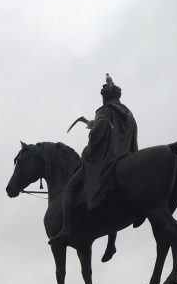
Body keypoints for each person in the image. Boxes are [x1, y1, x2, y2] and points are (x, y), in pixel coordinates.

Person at [53, 74, 139, 252]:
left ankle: (66, 229)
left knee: (70, 188)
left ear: (104, 97)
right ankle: (111, 243)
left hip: (105, 159)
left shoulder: (104, 111)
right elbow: (132, 137)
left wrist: (87, 151)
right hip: (125, 156)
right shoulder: (128, 114)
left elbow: (97, 135)